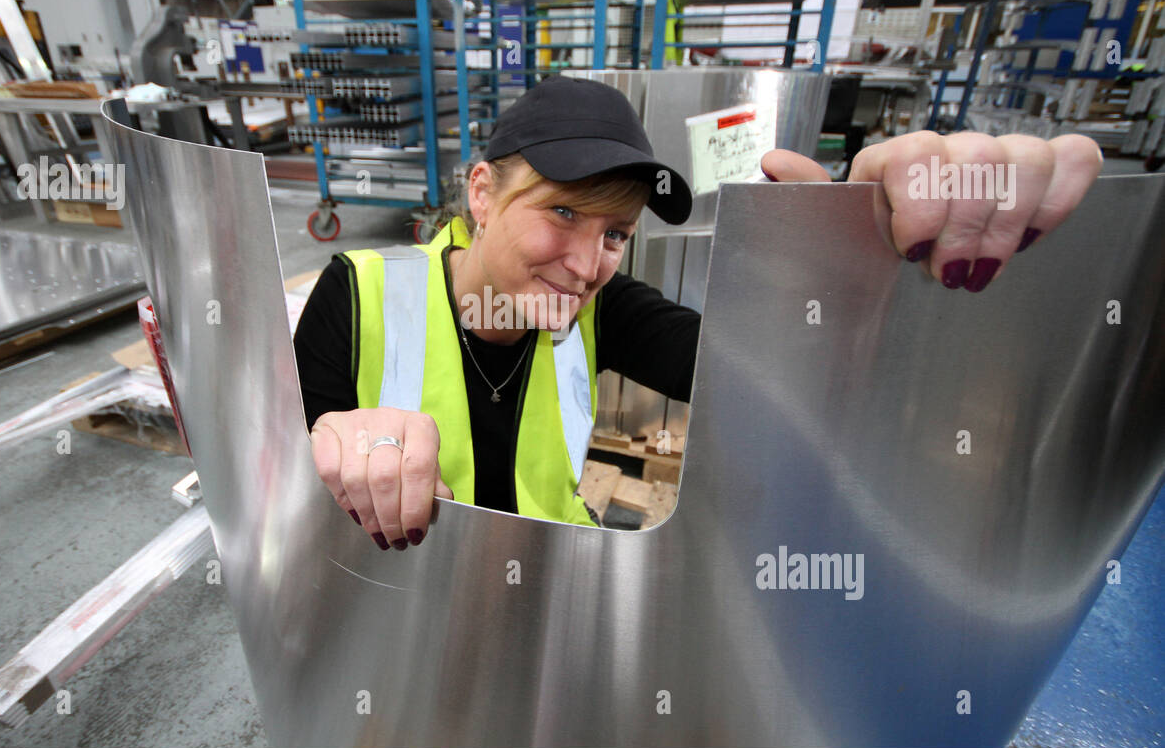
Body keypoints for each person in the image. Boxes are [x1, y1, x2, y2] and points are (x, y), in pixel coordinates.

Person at [293, 75, 1102, 552]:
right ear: (482, 191)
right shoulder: (357, 295)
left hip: (544, 623)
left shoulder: (605, 312)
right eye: (565, 214)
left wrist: (860, 264)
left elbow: (771, 373)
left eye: (616, 233)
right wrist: (324, 445)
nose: (586, 267)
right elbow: (280, 504)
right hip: (391, 620)